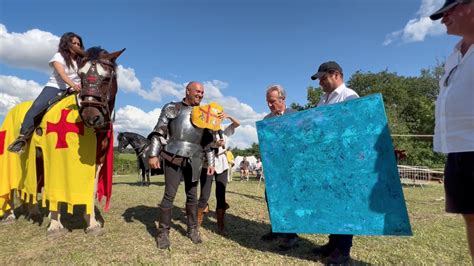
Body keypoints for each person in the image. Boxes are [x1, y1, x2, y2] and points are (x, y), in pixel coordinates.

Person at [430, 0, 474, 261]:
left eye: (450, 11)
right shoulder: (454, 55)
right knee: (470, 217)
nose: (444, 18)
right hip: (457, 148)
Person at [148, 81, 216, 249]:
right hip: (173, 154)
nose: (200, 94)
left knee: (193, 196)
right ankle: (163, 232)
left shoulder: (204, 113)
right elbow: (159, 131)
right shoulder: (173, 107)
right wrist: (152, 154)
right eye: (197, 91)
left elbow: (207, 141)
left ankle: (192, 229)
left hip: (195, 158)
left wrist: (212, 162)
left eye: (202, 92)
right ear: (188, 90)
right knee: (169, 195)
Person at [310, 61, 359, 264]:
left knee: (343, 204)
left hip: (342, 160)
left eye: (323, 78)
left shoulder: (349, 96)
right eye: (319, 79)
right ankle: (332, 242)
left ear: (336, 75)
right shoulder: (323, 100)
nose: (320, 82)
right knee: (330, 203)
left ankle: (343, 249)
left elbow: (353, 127)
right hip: (326, 160)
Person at [8, 32, 84, 153]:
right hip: (56, 87)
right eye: (73, 43)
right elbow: (62, 74)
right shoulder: (59, 56)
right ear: (66, 44)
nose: (76, 46)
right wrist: (73, 85)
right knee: (37, 107)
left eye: (79, 44)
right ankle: (22, 138)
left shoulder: (83, 61)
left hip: (75, 90)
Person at [260, 84, 299, 251]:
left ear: (282, 99)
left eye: (273, 101)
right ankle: (277, 228)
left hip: (292, 167)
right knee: (271, 197)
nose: (269, 105)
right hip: (274, 168)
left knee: (289, 200)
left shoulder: (296, 116)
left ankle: (292, 236)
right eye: (268, 102)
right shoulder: (266, 120)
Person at [197, 112, 240, 235]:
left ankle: (221, 226)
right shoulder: (204, 130)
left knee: (221, 195)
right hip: (207, 163)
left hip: (222, 162)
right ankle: (197, 223)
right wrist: (215, 144)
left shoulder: (224, 129)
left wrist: (229, 116)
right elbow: (201, 146)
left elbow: (237, 123)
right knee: (204, 195)